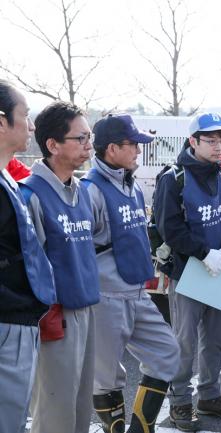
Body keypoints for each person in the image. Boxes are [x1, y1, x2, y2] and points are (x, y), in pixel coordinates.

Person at [82, 113, 181, 433]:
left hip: (138, 291)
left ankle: (141, 428)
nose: (139, 150)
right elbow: (78, 250)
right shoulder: (89, 190)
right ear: (111, 149)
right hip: (105, 295)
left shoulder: (133, 185)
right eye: (133, 144)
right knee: (107, 376)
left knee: (167, 353)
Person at [153, 112, 221, 432]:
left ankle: (209, 394)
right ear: (192, 142)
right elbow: (170, 227)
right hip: (187, 270)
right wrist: (205, 253)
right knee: (185, 342)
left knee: (217, 340)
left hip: (219, 269)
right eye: (211, 140)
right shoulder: (173, 177)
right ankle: (180, 401)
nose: (219, 146)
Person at [21, 101, 100, 433]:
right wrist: (45, 316)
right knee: (55, 414)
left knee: (81, 409)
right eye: (80, 138)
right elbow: (29, 268)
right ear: (52, 145)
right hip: (55, 318)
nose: (88, 145)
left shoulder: (81, 191)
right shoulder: (31, 194)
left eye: (89, 136)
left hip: (86, 310)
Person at [0, 80, 56, 433]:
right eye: (24, 115)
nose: (31, 125)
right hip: (8, 322)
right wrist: (18, 304)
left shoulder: (7, 175)